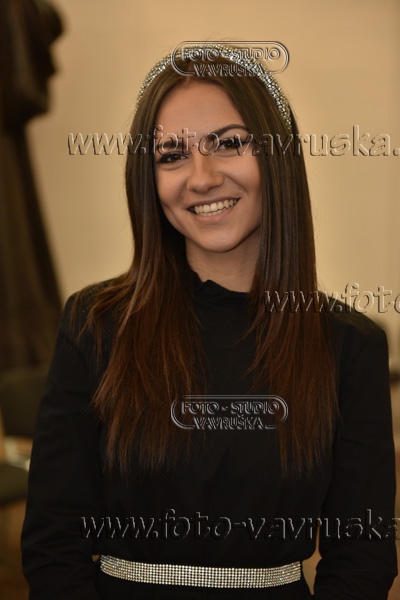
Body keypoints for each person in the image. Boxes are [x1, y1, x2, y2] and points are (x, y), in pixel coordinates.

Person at [21, 44, 397, 599]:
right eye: (172, 155)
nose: (201, 177)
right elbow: (53, 545)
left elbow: (363, 555)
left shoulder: (349, 344)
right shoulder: (95, 324)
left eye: (228, 143)